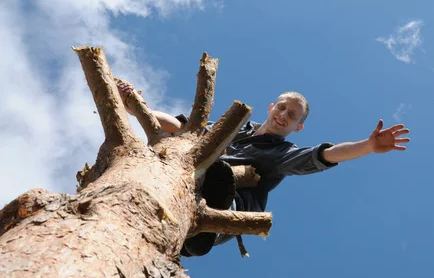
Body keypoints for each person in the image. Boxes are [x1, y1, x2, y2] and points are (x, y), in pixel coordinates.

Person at [117, 80, 410, 256]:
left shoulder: (281, 153)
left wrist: (367, 146)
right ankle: (181, 235)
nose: (284, 115)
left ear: (298, 127)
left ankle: (202, 229)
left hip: (223, 203)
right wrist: (135, 108)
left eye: (292, 115)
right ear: (271, 107)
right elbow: (184, 128)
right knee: (187, 150)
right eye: (281, 107)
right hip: (182, 182)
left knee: (219, 174)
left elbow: (325, 156)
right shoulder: (235, 128)